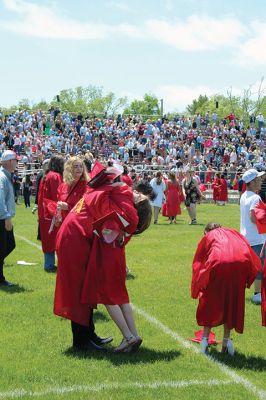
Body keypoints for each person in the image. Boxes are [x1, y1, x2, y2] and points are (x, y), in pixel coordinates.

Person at [54, 164, 152, 353]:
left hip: (77, 237)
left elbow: (100, 199)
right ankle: (82, 339)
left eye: (139, 196)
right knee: (80, 290)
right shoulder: (122, 201)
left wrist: (115, 186)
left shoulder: (124, 203)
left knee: (85, 290)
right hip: (75, 238)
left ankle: (88, 335)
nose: (135, 192)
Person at [191, 222, 261, 355]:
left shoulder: (209, 236)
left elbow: (199, 262)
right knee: (231, 302)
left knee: (209, 302)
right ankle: (227, 341)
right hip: (241, 265)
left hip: (219, 264)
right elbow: (249, 252)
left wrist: (200, 285)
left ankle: (204, 340)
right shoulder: (233, 233)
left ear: (207, 231)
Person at [240, 168, 266, 305]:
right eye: (259, 179)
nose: (261, 181)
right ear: (252, 182)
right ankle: (257, 294)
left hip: (245, 237)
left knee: (248, 268)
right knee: (259, 267)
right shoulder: (256, 197)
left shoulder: (244, 196)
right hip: (256, 238)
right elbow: (252, 217)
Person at [38, 155, 64, 272]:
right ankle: (49, 265)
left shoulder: (47, 175)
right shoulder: (55, 176)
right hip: (52, 212)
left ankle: (49, 264)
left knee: (48, 240)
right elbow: (57, 195)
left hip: (45, 212)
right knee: (55, 239)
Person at [0, 150, 19, 286]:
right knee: (5, 246)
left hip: (3, 217)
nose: (17, 163)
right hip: (2, 218)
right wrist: (6, 217)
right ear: (10, 161)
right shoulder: (2, 177)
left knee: (8, 245)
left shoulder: (6, 176)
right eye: (16, 160)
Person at [56, 156, 89, 224]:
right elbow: (58, 203)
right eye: (76, 166)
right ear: (69, 169)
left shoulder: (87, 185)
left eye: (81, 166)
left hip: (78, 224)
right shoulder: (63, 186)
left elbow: (86, 208)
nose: (79, 169)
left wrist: (68, 207)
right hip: (63, 223)